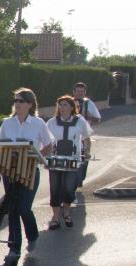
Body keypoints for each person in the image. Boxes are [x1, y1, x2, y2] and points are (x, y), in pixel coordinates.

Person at [0, 87, 54, 259]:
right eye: (15, 100)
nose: (17, 104)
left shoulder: (38, 123)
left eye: (21, 101)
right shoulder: (7, 123)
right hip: (10, 171)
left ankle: (33, 235)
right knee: (13, 209)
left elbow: (49, 145)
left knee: (23, 208)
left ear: (30, 104)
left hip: (30, 171)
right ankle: (13, 249)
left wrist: (38, 158)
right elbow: (1, 144)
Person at [45, 95, 91, 229]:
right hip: (55, 160)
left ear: (72, 107)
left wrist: (87, 151)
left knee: (68, 188)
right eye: (60, 105)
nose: (62, 107)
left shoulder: (80, 121)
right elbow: (45, 140)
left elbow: (87, 138)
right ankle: (55, 217)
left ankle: (66, 212)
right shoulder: (51, 122)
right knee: (54, 188)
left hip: (73, 161)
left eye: (65, 105)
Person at [72, 82, 101, 188]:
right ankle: (74, 180)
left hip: (84, 136)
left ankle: (80, 178)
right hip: (71, 136)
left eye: (82, 91)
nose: (80, 93)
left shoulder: (89, 103)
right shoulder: (68, 103)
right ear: (74, 92)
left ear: (85, 92)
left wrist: (90, 117)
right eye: (78, 91)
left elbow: (98, 119)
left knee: (84, 158)